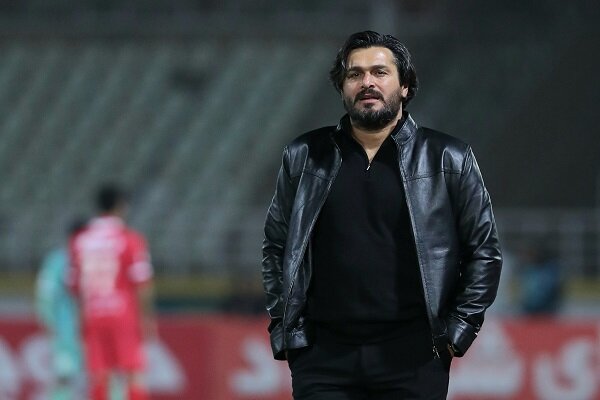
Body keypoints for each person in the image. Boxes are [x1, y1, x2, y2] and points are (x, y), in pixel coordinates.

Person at [262, 30, 502, 399]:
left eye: (380, 72)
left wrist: (458, 331)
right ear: (342, 87)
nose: (367, 82)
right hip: (323, 357)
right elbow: (277, 246)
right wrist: (287, 327)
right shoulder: (304, 155)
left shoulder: (448, 158)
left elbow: (484, 251)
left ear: (404, 86)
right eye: (354, 74)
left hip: (414, 358)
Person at [68, 184, 156, 400]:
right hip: (123, 314)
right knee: (134, 373)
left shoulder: (80, 240)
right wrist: (147, 318)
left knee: (98, 375)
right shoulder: (130, 239)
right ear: (120, 206)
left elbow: (74, 286)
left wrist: (80, 317)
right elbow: (142, 283)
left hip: (93, 314)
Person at [36, 218, 87, 400]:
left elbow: (44, 297)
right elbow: (45, 297)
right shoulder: (58, 261)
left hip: (88, 331)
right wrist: (52, 324)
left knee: (101, 378)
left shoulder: (91, 258)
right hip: (67, 332)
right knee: (65, 378)